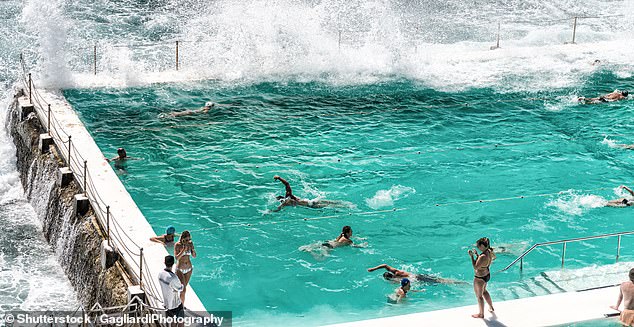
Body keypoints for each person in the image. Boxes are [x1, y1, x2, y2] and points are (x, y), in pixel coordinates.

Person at [272, 175, 351, 211]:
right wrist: (279, 178)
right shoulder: (290, 197)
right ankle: (347, 204)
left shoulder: (286, 201)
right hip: (312, 201)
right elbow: (287, 184)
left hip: (311, 206)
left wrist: (270, 212)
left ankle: (346, 207)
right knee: (331, 202)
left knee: (330, 206)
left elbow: (278, 209)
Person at [469, 237, 496, 318]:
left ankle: (481, 314)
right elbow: (483, 262)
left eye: (478, 246)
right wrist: (477, 255)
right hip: (486, 275)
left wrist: (471, 256)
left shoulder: (483, 256)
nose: (478, 247)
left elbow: (475, 267)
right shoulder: (489, 252)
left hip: (479, 278)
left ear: (482, 246)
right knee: (484, 291)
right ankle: (491, 307)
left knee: (479, 296)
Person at [368, 264, 464, 284]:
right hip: (419, 276)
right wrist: (373, 269)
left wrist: (373, 268)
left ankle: (459, 283)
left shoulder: (397, 273)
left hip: (419, 278)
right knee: (439, 280)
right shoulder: (395, 273)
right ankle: (458, 282)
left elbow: (385, 265)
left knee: (440, 281)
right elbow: (385, 266)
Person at [158, 255, 184, 325]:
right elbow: (180, 288)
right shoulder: (173, 277)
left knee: (171, 322)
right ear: (173, 263)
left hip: (166, 304)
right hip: (175, 305)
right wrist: (181, 277)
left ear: (164, 262)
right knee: (181, 322)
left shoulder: (160, 274)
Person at [174, 230, 196, 304]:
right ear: (182, 238)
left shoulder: (190, 244)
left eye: (189, 239)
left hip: (189, 269)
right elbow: (176, 258)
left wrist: (192, 249)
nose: (188, 241)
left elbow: (194, 256)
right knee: (183, 290)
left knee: (183, 289)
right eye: (186, 240)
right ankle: (181, 307)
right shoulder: (177, 245)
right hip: (180, 269)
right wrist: (183, 250)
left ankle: (180, 303)